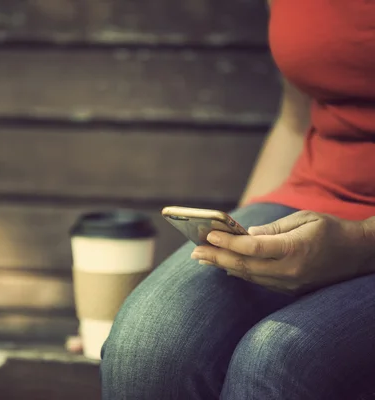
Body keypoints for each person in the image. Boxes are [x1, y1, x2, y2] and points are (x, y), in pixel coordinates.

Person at [100, 0, 375, 398]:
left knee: (277, 358)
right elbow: (296, 120)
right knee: (145, 343)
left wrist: (362, 244)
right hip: (312, 196)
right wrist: (246, 245)